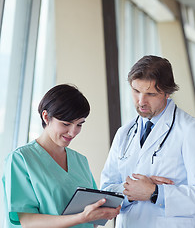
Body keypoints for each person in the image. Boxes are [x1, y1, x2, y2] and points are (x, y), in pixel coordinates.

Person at [100, 55, 195, 228]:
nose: (141, 101)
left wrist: (156, 193)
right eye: (136, 91)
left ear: (167, 92)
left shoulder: (191, 130)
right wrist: (132, 192)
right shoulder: (124, 133)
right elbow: (106, 190)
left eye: (150, 94)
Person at [2, 84, 120, 228]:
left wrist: (100, 213)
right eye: (66, 124)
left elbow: (91, 217)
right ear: (46, 117)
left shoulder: (80, 161)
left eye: (79, 125)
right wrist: (80, 218)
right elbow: (27, 221)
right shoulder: (21, 159)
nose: (73, 132)